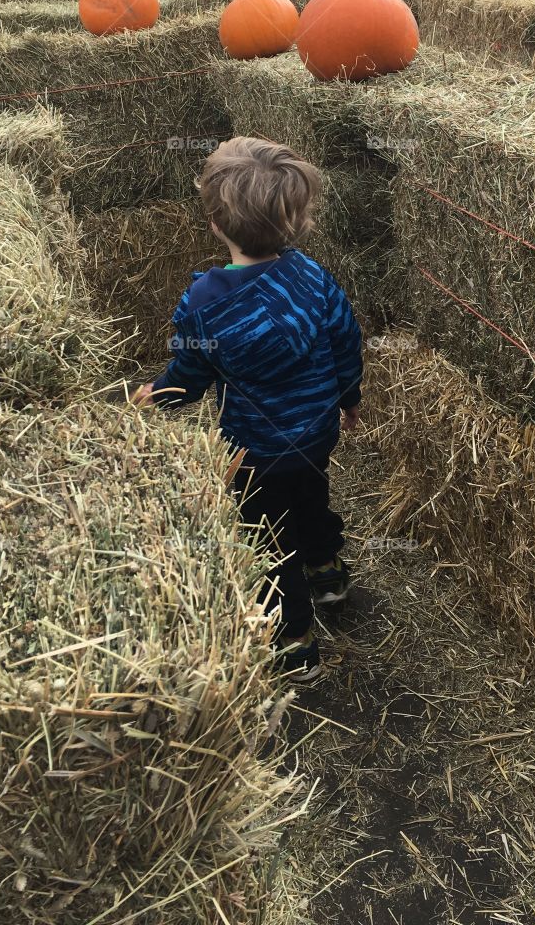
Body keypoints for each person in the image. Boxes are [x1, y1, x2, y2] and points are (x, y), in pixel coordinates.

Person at [131, 137, 362, 682]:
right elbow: (345, 341)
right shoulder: (312, 277)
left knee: (267, 542)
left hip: (252, 449)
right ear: (296, 223)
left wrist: (158, 396)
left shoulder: (205, 303)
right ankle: (328, 573)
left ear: (215, 224)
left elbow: (191, 374)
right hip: (315, 431)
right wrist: (348, 398)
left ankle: (295, 643)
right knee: (312, 493)